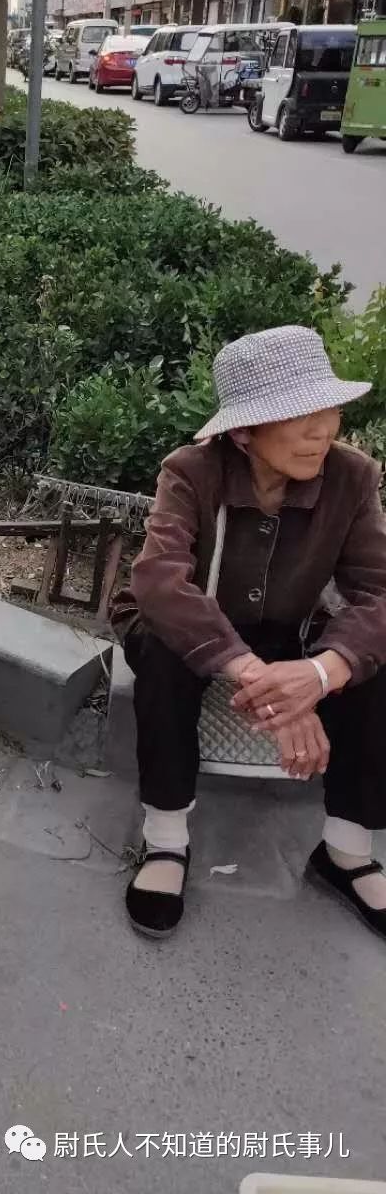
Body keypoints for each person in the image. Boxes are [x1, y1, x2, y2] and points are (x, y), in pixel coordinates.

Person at [112, 325, 386, 943]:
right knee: (161, 647)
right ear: (245, 430)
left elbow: (378, 591)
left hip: (291, 629)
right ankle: (165, 840)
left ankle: (346, 850)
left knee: (372, 655)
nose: (324, 429)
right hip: (191, 623)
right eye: (301, 415)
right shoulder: (191, 472)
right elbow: (159, 581)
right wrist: (266, 683)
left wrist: (320, 674)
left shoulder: (353, 478)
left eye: (330, 410)